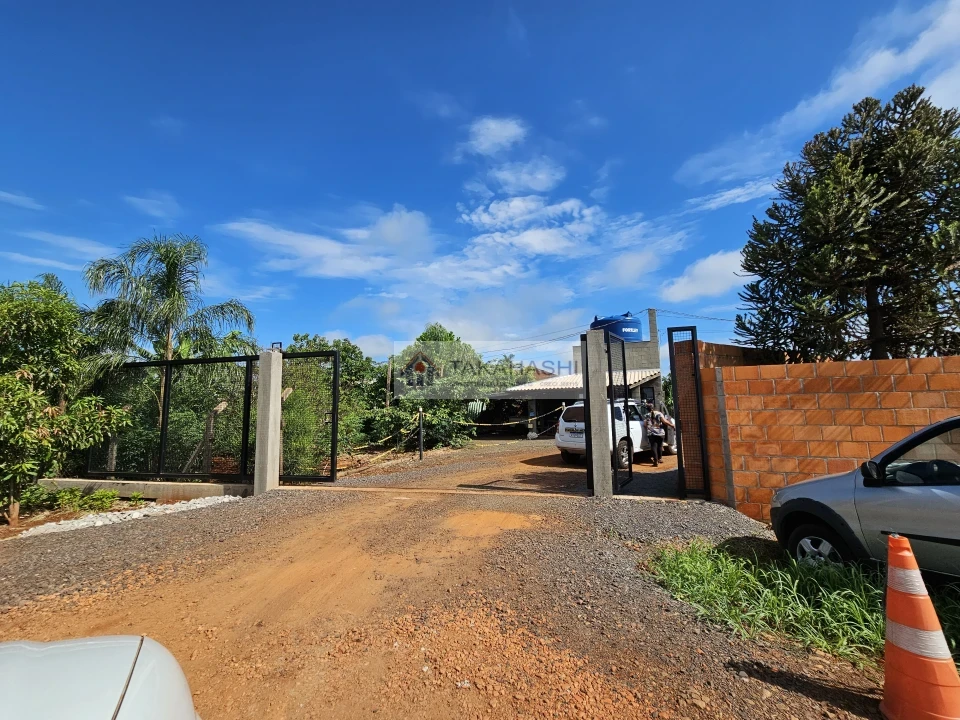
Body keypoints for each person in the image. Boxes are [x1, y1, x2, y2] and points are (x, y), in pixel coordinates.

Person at [644, 401, 674, 467]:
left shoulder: (646, 415)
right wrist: (671, 425)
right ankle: (660, 458)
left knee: (653, 447)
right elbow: (665, 421)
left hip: (651, 434)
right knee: (660, 446)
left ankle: (655, 460)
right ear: (653, 407)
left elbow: (645, 425)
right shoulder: (659, 413)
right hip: (660, 433)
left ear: (647, 409)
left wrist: (649, 426)